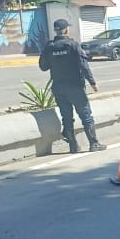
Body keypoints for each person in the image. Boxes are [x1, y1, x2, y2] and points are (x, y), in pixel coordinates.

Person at [38, 18, 105, 153]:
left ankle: (73, 146)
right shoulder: (73, 45)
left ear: (56, 30)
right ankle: (93, 144)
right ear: (66, 29)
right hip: (75, 87)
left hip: (58, 88)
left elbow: (43, 66)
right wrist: (92, 82)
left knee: (67, 117)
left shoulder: (49, 47)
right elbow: (84, 66)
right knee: (85, 115)